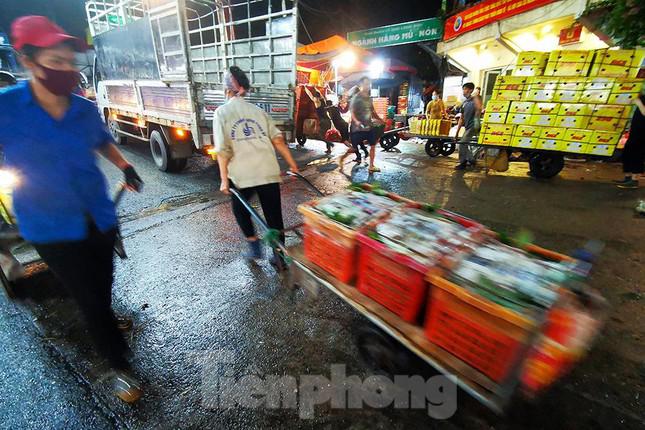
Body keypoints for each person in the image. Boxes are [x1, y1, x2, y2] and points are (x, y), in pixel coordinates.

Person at [0, 16, 144, 402]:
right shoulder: (7, 107)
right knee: (89, 297)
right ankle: (119, 366)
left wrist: (126, 166)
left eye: (70, 62)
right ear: (28, 60)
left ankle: (100, 321)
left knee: (101, 285)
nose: (67, 71)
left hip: (99, 217)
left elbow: (102, 142)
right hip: (50, 227)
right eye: (56, 61)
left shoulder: (83, 109)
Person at [214, 66, 299, 263]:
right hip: (268, 170)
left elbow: (223, 150)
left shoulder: (222, 112)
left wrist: (224, 180)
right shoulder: (258, 111)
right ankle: (279, 257)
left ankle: (254, 246)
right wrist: (292, 164)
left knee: (240, 209)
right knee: (273, 215)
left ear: (227, 89)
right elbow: (278, 140)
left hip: (243, 175)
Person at [350, 77, 385, 172]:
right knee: (353, 148)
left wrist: (379, 119)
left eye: (369, 84)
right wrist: (356, 121)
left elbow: (372, 111)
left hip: (369, 127)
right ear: (361, 85)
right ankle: (343, 158)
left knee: (373, 145)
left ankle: (371, 166)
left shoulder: (369, 99)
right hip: (358, 128)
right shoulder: (356, 98)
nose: (368, 86)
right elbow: (352, 112)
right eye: (365, 84)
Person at [614, 93, 645, 189]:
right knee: (627, 151)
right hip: (636, 128)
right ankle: (628, 177)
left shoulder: (640, 101)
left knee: (636, 153)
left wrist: (638, 102)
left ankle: (634, 180)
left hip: (642, 130)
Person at [454, 82, 482, 170]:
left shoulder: (475, 99)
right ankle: (472, 160)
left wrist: (477, 123)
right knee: (463, 143)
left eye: (465, 89)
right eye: (463, 89)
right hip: (467, 127)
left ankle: (463, 163)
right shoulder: (465, 103)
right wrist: (457, 133)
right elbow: (461, 118)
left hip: (473, 126)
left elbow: (479, 109)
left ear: (470, 90)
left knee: (462, 144)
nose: (463, 91)